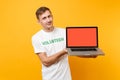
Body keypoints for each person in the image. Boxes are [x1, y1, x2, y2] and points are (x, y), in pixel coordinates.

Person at [32, 6, 72, 80]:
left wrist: (90, 55)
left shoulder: (64, 32)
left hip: (66, 77)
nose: (48, 20)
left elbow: (72, 50)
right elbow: (46, 62)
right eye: (44, 18)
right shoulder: (37, 37)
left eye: (49, 16)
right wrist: (63, 52)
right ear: (38, 21)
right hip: (50, 78)